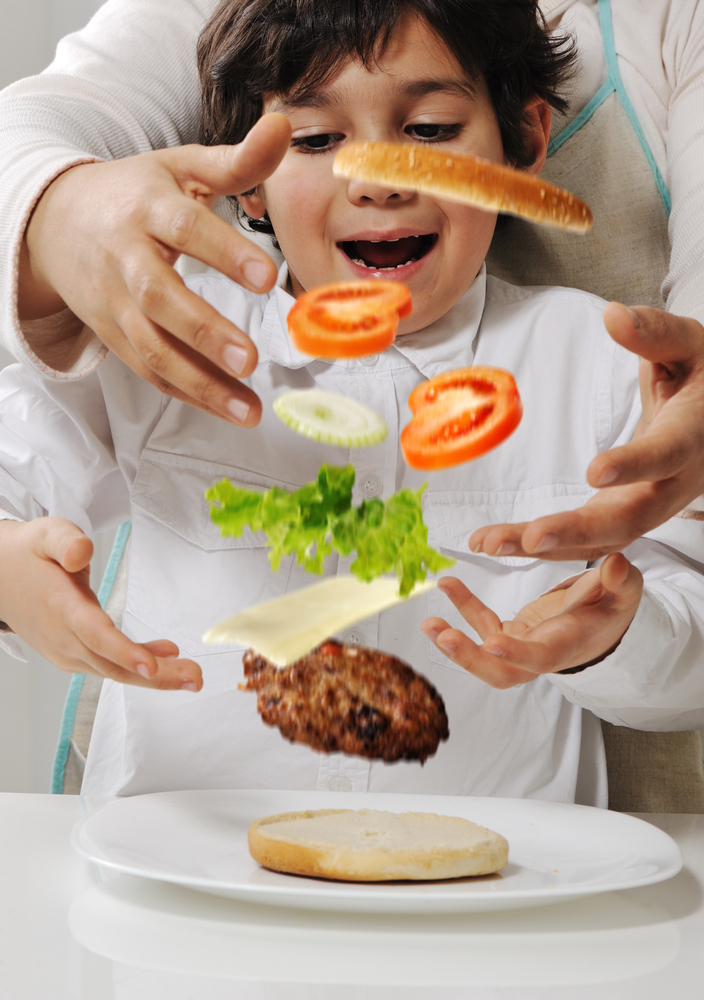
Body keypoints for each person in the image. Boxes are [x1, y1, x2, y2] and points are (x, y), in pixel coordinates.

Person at [1, 0, 703, 803]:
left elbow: (689, 654)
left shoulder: (597, 361)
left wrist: (614, 640)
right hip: (189, 875)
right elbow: (14, 463)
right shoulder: (180, 330)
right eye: (315, 140)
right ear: (250, 183)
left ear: (524, 144)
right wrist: (11, 573)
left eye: (431, 129)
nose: (376, 180)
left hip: (492, 895)